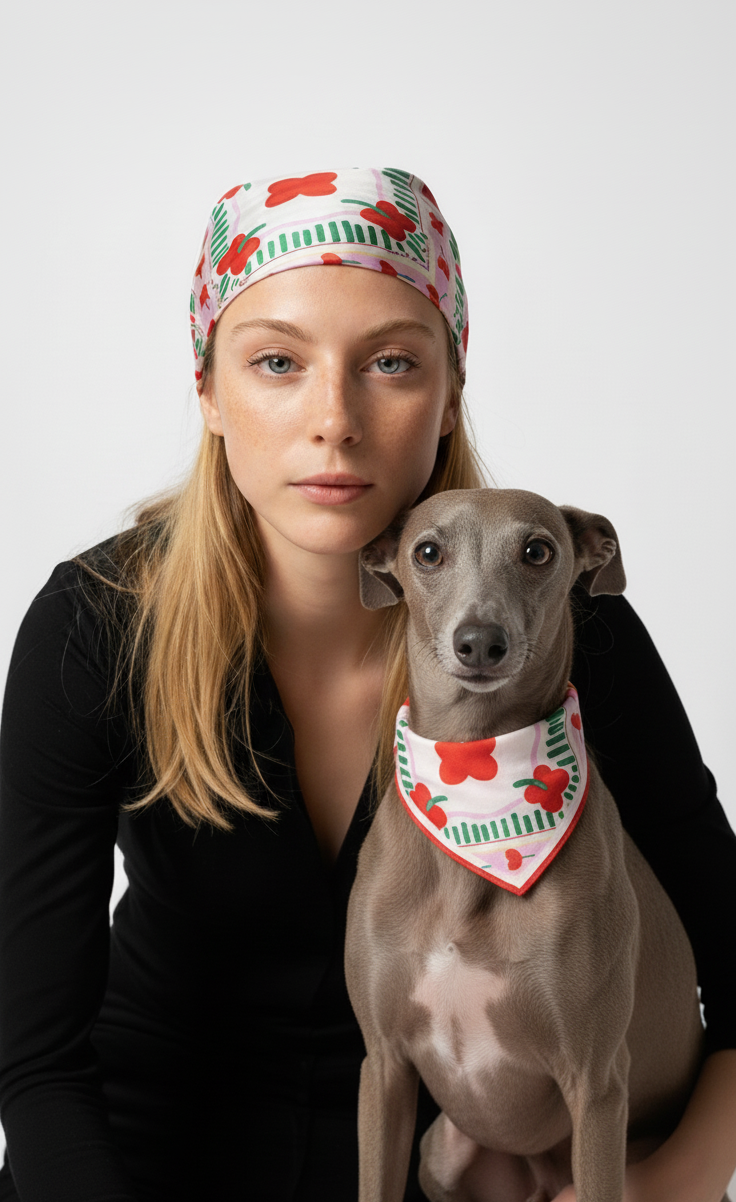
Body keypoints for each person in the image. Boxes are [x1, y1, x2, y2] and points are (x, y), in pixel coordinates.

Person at [0, 167, 734, 1202]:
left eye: (390, 361)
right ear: (208, 391)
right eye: (276, 362)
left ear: (447, 393)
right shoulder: (96, 626)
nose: (333, 419)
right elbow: (34, 1060)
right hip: (145, 1158)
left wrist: (664, 1185)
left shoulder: (560, 619)